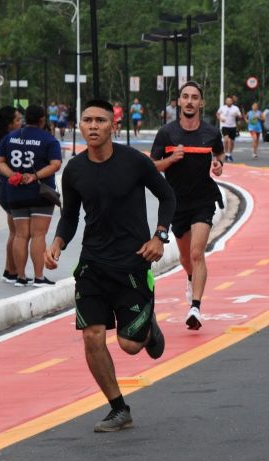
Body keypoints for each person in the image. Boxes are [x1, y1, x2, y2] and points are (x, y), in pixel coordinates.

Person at [44, 99, 176, 432]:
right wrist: (58, 242)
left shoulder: (134, 161)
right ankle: (119, 408)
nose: (92, 126)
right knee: (92, 336)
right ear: (79, 125)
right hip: (93, 265)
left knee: (131, 346)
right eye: (86, 120)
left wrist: (160, 236)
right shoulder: (74, 170)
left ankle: (147, 328)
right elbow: (71, 215)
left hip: (132, 262)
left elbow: (168, 196)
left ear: (112, 126)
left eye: (100, 120)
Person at [150, 81, 224, 330]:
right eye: (185, 97)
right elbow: (152, 166)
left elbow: (219, 155)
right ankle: (191, 277)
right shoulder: (167, 133)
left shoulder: (211, 133)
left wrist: (218, 165)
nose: (190, 101)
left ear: (201, 103)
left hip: (203, 199)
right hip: (175, 201)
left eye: (195, 97)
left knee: (196, 252)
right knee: (184, 256)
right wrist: (171, 159)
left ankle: (195, 307)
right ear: (179, 102)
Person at [0, 104, 62, 287]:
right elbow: (56, 164)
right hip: (41, 193)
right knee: (38, 235)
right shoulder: (48, 139)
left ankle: (20, 276)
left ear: (25, 119)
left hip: (16, 193)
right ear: (42, 120)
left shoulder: (11, 137)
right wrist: (35, 176)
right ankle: (39, 277)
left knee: (20, 235)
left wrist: (13, 175)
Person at [0, 106, 23, 283]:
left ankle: (10, 269)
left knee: (14, 232)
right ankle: (12, 271)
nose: (20, 123)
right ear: (9, 124)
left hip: (6, 187)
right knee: (16, 233)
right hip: (10, 189)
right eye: (17, 120)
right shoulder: (7, 141)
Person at [217, 96, 242, 162]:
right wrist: (220, 119)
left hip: (233, 126)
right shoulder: (222, 108)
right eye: (227, 101)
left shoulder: (235, 108)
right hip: (225, 126)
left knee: (232, 142)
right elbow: (217, 114)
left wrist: (237, 115)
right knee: (226, 140)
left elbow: (240, 116)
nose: (229, 102)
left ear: (232, 102)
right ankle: (225, 153)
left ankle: (229, 154)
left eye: (230, 101)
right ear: (226, 101)